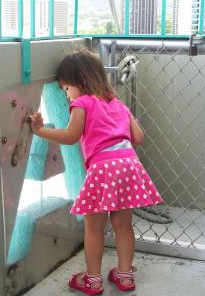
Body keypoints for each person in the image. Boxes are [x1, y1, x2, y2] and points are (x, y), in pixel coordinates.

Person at [29, 50, 163, 295]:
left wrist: (39, 131)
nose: (67, 95)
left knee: (94, 227)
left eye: (66, 89)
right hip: (128, 165)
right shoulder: (118, 104)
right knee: (123, 225)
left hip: (103, 168)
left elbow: (70, 136)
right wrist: (124, 119)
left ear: (79, 82)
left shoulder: (82, 103)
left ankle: (92, 280)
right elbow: (139, 138)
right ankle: (124, 276)